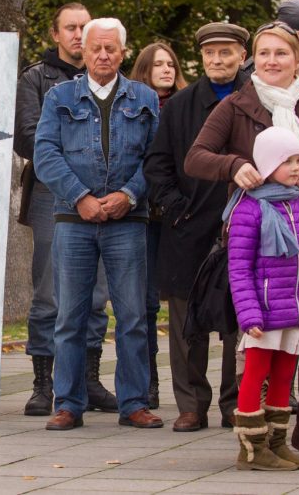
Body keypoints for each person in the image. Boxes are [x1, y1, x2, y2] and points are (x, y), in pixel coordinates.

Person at [184, 21, 299, 460]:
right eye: (264, 53)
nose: (272, 61)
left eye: (281, 54)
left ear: (296, 58)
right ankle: (256, 439)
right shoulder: (236, 105)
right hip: (257, 236)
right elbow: (196, 157)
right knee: (260, 340)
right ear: (255, 57)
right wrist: (233, 166)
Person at [34, 17, 162, 430]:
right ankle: (68, 403)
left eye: (111, 49)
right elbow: (45, 155)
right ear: (83, 52)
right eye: (96, 48)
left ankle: (134, 404)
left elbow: (156, 159)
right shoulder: (59, 97)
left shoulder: (145, 97)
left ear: (123, 53)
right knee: (69, 315)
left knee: (133, 316)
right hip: (73, 221)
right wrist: (81, 197)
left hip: (129, 219)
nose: (103, 55)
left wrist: (129, 195)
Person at [143, 24, 249, 432]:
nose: (217, 61)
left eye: (226, 53)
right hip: (188, 224)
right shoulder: (182, 105)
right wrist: (174, 206)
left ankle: (235, 400)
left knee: (239, 316)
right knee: (186, 320)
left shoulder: (256, 100)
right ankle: (191, 404)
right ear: (201, 58)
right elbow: (158, 163)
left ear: (242, 55)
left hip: (244, 224)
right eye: (210, 54)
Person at [14, 3, 116, 416]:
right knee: (50, 292)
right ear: (55, 35)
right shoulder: (36, 78)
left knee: (96, 292)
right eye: (70, 28)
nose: (78, 34)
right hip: (50, 194)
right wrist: (78, 168)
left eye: (84, 27)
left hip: (105, 196)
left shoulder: (111, 81)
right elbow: (27, 138)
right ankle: (43, 383)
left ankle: (88, 380)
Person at [227, 127, 299, 471]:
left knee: (284, 375)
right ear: (267, 164)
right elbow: (239, 268)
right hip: (264, 311)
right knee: (256, 374)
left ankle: (276, 442)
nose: (296, 167)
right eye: (287, 161)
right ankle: (251, 448)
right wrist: (249, 315)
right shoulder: (250, 209)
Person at [128, 41, 187, 409]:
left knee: (184, 302)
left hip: (180, 216)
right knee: (145, 303)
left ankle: (189, 383)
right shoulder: (133, 105)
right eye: (158, 65)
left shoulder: (187, 105)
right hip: (145, 217)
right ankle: (147, 382)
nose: (166, 70)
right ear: (144, 70)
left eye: (171, 64)